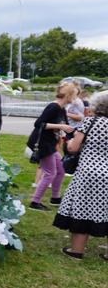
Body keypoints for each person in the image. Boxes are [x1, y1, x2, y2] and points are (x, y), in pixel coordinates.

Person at [53, 90, 108, 260]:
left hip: (87, 173)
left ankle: (77, 251)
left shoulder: (89, 122)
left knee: (82, 209)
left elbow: (73, 148)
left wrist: (69, 141)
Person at [27, 82, 77, 211]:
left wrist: (79, 136)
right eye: (75, 95)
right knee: (50, 173)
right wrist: (60, 127)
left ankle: (55, 198)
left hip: (50, 143)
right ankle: (35, 201)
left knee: (60, 170)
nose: (75, 99)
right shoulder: (53, 107)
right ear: (69, 95)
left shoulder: (62, 109)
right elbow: (39, 124)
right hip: (42, 143)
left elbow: (68, 128)